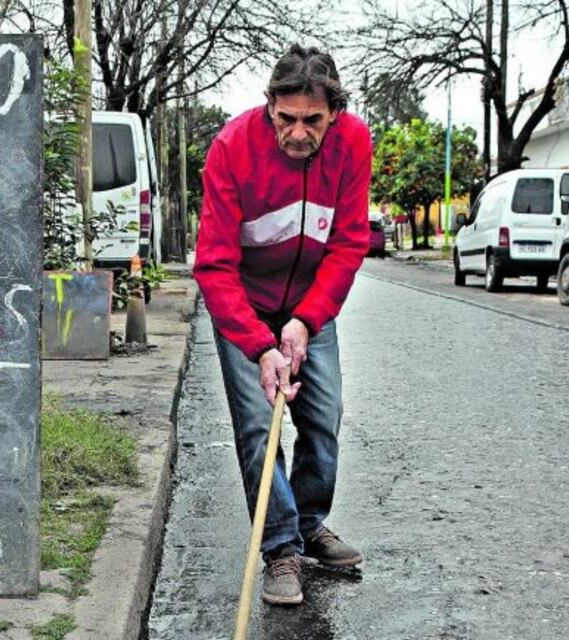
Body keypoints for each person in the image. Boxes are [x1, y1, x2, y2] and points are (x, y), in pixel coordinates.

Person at [192, 44, 372, 606]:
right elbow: (214, 265)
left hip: (307, 308)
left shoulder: (353, 145)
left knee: (322, 419)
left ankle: (308, 524)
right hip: (243, 306)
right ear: (269, 105)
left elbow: (347, 244)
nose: (297, 133)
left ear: (334, 113)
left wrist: (305, 321)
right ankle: (280, 549)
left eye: (312, 120)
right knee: (256, 428)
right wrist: (258, 345)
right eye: (285, 118)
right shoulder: (231, 149)